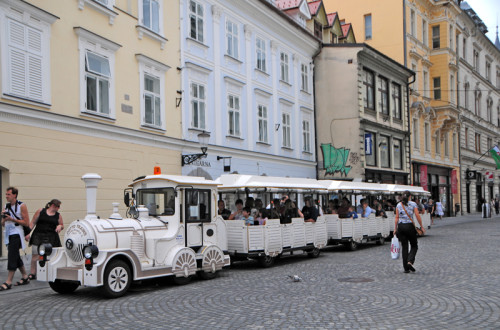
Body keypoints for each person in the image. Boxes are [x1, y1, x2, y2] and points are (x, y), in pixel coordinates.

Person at [1, 187, 30, 290]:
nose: (6, 196)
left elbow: (26, 223)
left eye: (8, 194)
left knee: (12, 256)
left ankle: (8, 281)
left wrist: (12, 219)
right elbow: (3, 224)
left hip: (17, 233)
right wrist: (4, 218)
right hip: (8, 234)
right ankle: (25, 276)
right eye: (6, 194)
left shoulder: (21, 206)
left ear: (14, 195)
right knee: (15, 255)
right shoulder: (6, 206)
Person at [26, 199, 63, 280]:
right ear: (53, 205)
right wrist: (28, 232)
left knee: (50, 255)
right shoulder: (41, 211)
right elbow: (33, 222)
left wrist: (60, 226)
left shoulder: (58, 215)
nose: (59, 208)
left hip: (51, 236)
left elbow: (61, 224)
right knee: (35, 254)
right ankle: (33, 273)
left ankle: (48, 272)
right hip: (38, 235)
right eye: (58, 206)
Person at [394, 191, 425, 273]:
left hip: (401, 227)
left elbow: (397, 217)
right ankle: (410, 261)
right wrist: (421, 226)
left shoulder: (398, 205)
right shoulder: (413, 204)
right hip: (409, 226)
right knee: (414, 245)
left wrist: (395, 228)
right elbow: (417, 215)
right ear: (410, 196)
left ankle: (406, 268)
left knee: (404, 247)